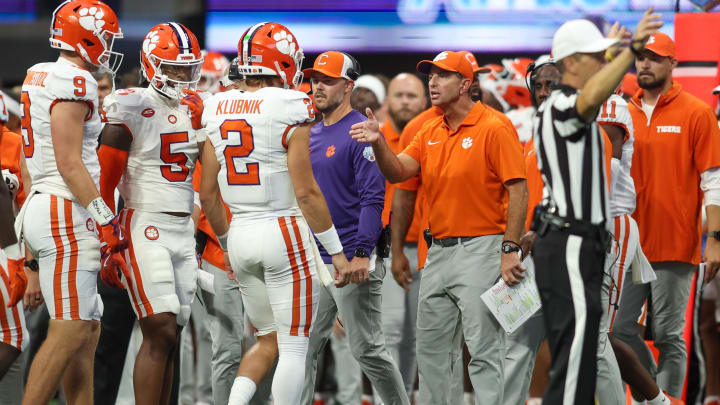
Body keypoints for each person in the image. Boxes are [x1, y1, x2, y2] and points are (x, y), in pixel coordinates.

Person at [352, 50, 528, 405]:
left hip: (484, 247)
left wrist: (510, 249)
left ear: (465, 84)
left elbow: (518, 188)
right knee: (430, 351)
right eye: (430, 75)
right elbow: (399, 172)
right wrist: (380, 142)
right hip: (439, 252)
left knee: (483, 350)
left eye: (442, 75)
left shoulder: (494, 126)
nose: (433, 81)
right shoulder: (428, 128)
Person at [199, 22, 352, 405]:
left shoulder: (216, 105)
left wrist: (226, 244)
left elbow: (207, 193)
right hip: (282, 229)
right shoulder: (292, 105)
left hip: (239, 234)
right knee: (294, 346)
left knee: (266, 340)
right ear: (282, 61)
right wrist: (335, 253)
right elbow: (306, 192)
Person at [530, 11, 662, 404]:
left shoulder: (576, 108)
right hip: (568, 237)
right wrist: (629, 52)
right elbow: (588, 101)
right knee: (574, 356)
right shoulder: (560, 105)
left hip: (580, 239)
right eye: (597, 56)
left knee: (583, 354)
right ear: (570, 62)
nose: (605, 64)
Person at [18, 1, 126, 404]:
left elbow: (37, 168)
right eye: (106, 36)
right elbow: (68, 162)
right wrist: (105, 217)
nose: (109, 45)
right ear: (86, 35)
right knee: (70, 329)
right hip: (66, 210)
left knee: (87, 330)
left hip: (47, 207)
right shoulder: (74, 81)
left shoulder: (39, 73)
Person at [97, 22, 205, 405]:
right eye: (172, 67)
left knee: (171, 334)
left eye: (185, 67)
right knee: (159, 329)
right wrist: (107, 233)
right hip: (145, 224)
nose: (180, 75)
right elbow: (103, 182)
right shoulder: (129, 103)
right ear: (150, 63)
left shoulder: (193, 108)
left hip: (181, 229)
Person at [612, 31, 720, 399]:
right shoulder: (622, 111)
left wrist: (716, 239)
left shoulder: (696, 112)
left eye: (655, 57)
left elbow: (713, 180)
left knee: (672, 335)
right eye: (640, 56)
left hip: (676, 243)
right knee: (618, 330)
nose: (644, 63)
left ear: (672, 64)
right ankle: (657, 396)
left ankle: (668, 399)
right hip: (628, 245)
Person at [298, 50, 409, 405]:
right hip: (315, 259)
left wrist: (363, 253)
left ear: (347, 86)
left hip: (350, 257)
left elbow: (373, 199)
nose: (318, 87)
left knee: (368, 351)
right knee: (300, 350)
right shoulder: (309, 131)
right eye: (315, 79)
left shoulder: (360, 130)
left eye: (327, 81)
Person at [376, 72, 427, 403]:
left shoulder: (433, 136)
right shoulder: (373, 138)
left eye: (412, 95)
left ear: (424, 101)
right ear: (387, 101)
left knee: (420, 337)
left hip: (428, 247)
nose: (406, 101)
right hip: (384, 249)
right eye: (399, 95)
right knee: (390, 332)